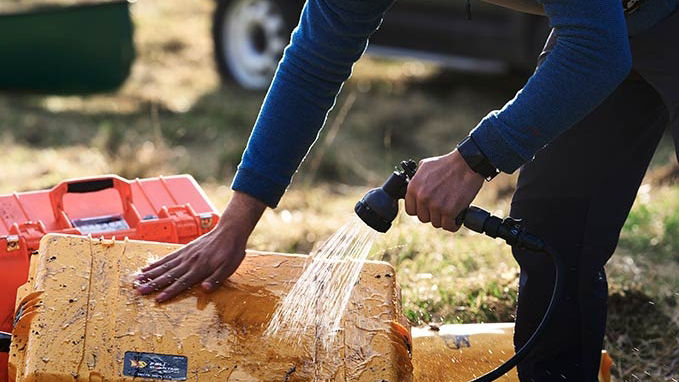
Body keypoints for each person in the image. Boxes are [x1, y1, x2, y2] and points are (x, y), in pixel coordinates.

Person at [135, 0, 679, 379]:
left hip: (622, 30)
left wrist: (474, 159)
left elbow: (595, 50)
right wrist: (236, 224)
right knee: (556, 229)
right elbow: (313, 63)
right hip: (608, 24)